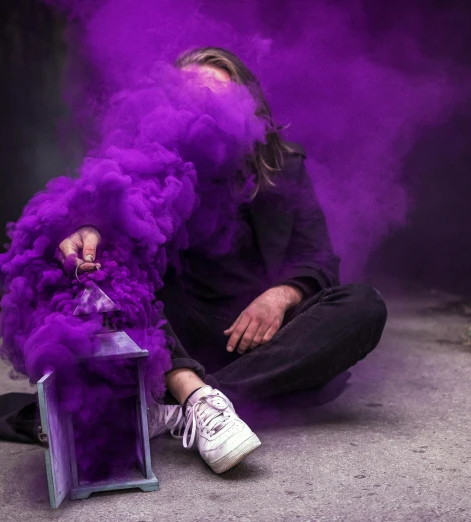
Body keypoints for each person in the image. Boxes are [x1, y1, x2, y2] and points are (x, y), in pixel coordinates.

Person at [57, 47, 387, 475]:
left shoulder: (283, 166)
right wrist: (94, 229)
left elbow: (317, 256)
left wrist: (281, 295)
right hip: (179, 337)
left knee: (363, 306)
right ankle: (194, 394)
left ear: (247, 104)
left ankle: (192, 405)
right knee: (113, 272)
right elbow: (116, 215)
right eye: (191, 96)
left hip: (268, 342)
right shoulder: (154, 161)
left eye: (219, 96)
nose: (206, 108)